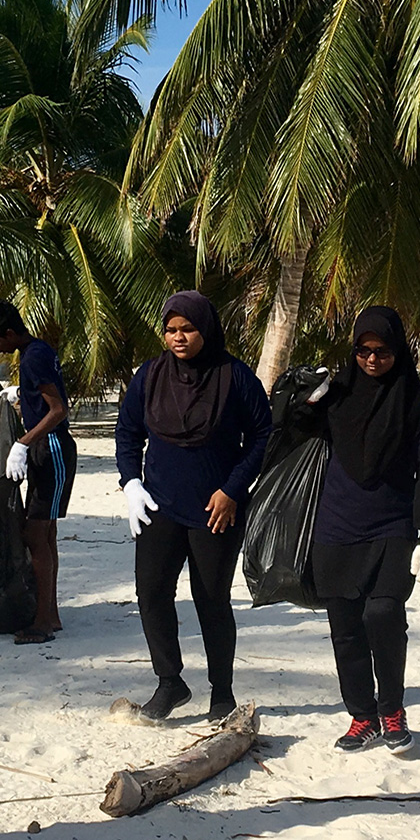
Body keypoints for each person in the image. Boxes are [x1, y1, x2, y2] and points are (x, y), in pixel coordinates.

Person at [115, 292, 273, 721]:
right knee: (151, 593)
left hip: (215, 509)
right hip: (158, 506)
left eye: (187, 329)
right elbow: (127, 432)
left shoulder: (235, 376)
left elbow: (262, 437)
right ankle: (170, 682)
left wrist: (233, 490)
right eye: (171, 330)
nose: (178, 338)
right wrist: (131, 483)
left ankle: (221, 691)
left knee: (211, 599)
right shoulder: (149, 376)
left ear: (206, 328)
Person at [305, 307, 420, 753]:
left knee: (382, 615)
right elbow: (287, 431)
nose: (371, 359)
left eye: (381, 351)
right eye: (363, 350)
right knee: (344, 625)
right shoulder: (337, 394)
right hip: (337, 524)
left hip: (392, 525)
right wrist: (303, 396)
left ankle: (392, 709)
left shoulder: (413, 398)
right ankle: (362, 715)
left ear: (397, 350)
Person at [0, 299, 75, 644]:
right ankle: (52, 612)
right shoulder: (36, 350)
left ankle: (44, 619)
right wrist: (23, 396)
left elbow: (58, 410)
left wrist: (23, 443)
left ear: (8, 333)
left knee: (37, 536)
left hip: (52, 451)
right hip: (44, 450)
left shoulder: (33, 356)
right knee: (44, 535)